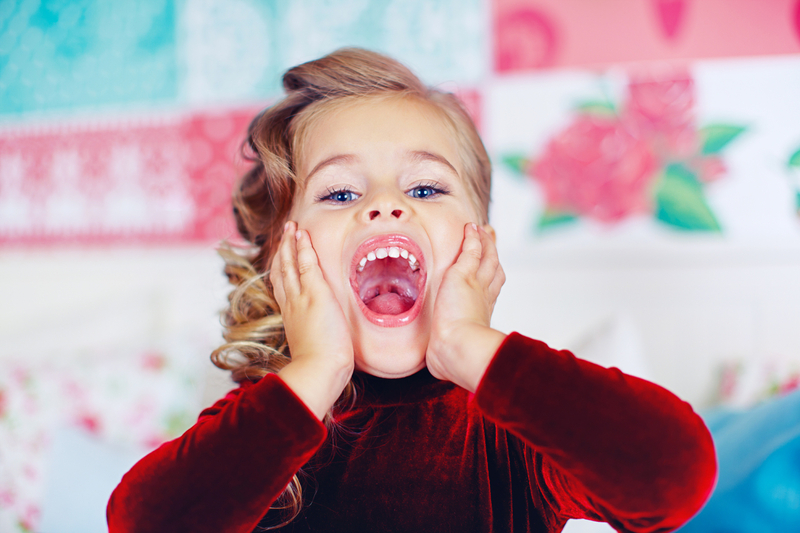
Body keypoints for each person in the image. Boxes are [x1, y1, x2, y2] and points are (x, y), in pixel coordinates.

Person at [107, 48, 716, 533]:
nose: (385, 205)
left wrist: (468, 344)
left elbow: (675, 474)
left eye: (425, 189)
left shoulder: (519, 430)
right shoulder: (265, 428)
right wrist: (317, 369)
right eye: (339, 193)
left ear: (479, 244)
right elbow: (141, 522)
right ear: (282, 260)